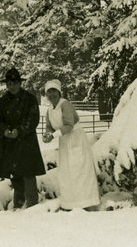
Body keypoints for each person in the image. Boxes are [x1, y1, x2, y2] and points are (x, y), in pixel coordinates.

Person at [42, 79, 100, 211]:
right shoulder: (49, 110)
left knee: (79, 171)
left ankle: (86, 203)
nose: (52, 95)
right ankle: (71, 204)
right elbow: (49, 127)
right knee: (67, 172)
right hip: (64, 142)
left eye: (54, 92)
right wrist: (47, 135)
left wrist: (53, 135)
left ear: (59, 92)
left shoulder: (65, 104)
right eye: (49, 93)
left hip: (75, 139)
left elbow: (69, 125)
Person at [0, 68, 45, 209]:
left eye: (14, 83)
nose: (12, 86)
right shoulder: (2, 101)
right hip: (9, 143)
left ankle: (32, 206)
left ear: (20, 83)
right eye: (9, 83)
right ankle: (18, 205)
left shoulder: (30, 99)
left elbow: (33, 119)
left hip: (26, 142)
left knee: (28, 174)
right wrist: (4, 131)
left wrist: (19, 131)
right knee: (14, 175)